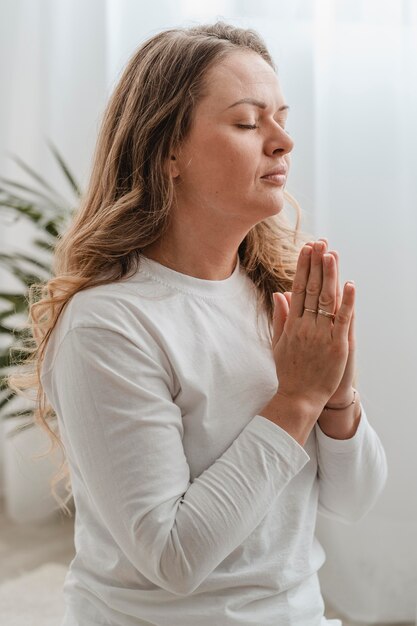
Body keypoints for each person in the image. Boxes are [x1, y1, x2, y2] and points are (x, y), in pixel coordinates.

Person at [13, 21, 387, 626]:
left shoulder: (276, 295)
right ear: (168, 151)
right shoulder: (109, 325)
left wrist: (337, 398)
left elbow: (356, 498)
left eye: (281, 119)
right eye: (247, 122)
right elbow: (174, 556)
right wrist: (296, 398)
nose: (282, 142)